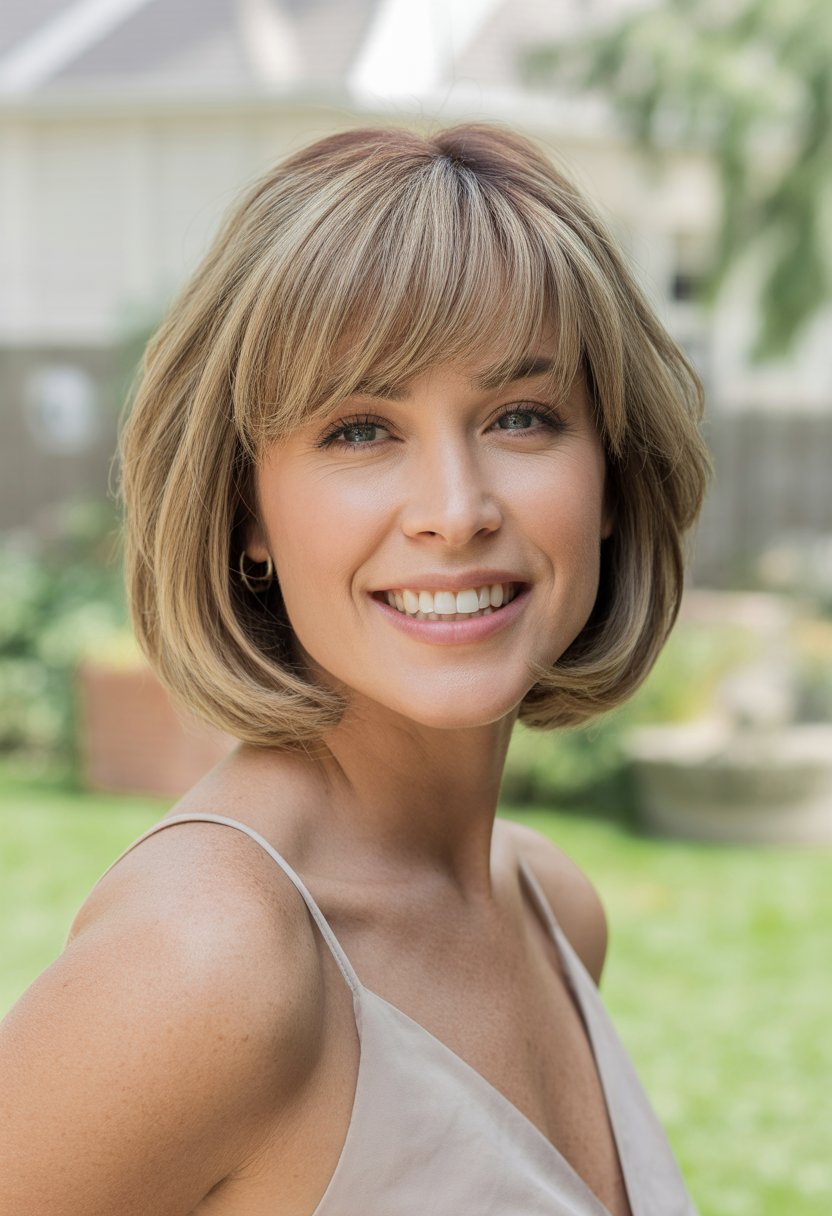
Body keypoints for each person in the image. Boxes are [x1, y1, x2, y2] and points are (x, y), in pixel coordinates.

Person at [0, 123, 709, 1215]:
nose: (455, 510)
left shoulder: (552, 908)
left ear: (611, 475)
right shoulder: (208, 961)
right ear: (247, 509)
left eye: (522, 417)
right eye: (360, 430)